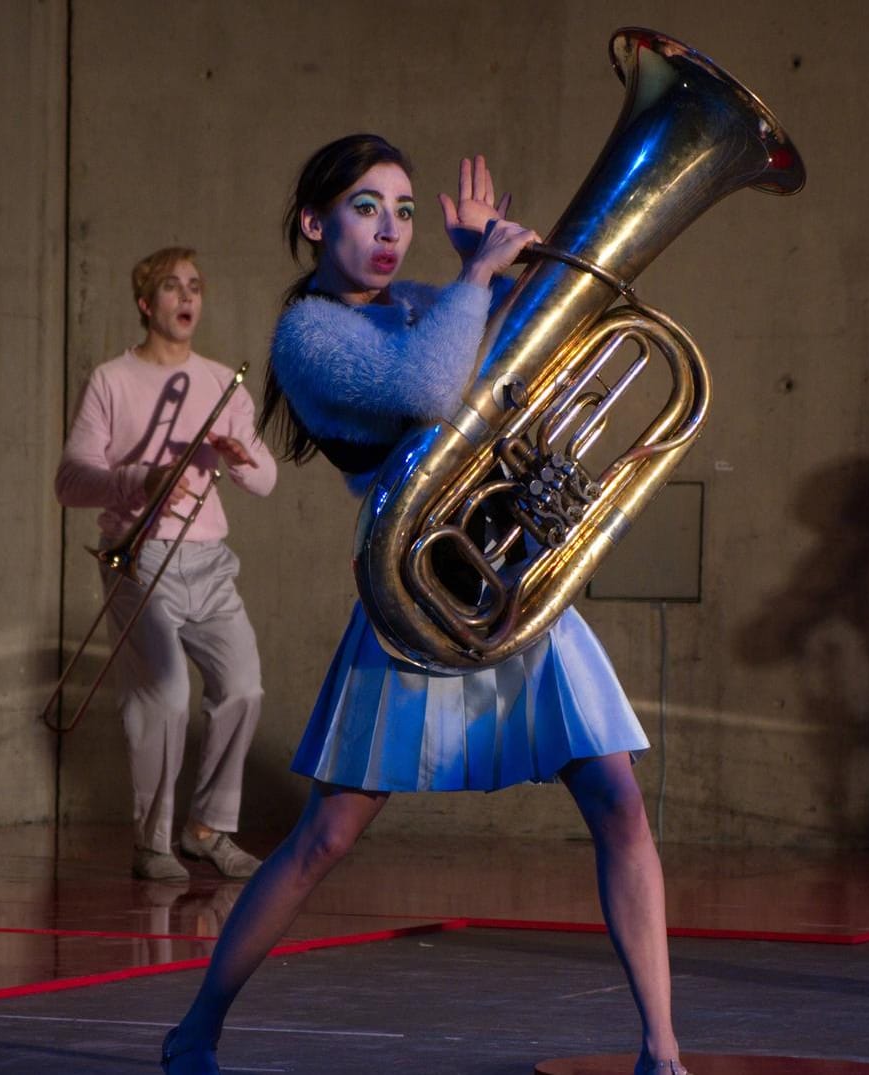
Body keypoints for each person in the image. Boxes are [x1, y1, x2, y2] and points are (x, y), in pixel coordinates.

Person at [157, 136, 688, 1075]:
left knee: (619, 803)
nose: (390, 229)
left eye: (404, 210)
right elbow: (429, 386)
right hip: (418, 593)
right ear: (316, 224)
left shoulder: (414, 301)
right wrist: (475, 273)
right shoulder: (307, 334)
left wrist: (499, 268)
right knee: (324, 836)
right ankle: (196, 1027)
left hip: (509, 574)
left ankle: (661, 1048)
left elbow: (525, 354)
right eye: (366, 208)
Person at [55, 246, 279, 883]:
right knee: (166, 696)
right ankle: (153, 843)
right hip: (140, 559)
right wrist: (138, 481)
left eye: (196, 287)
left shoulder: (219, 382)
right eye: (172, 287)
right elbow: (70, 481)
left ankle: (208, 829)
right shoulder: (110, 380)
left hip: (210, 562)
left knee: (243, 688)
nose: (187, 297)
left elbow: (265, 481)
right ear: (145, 303)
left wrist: (238, 456)